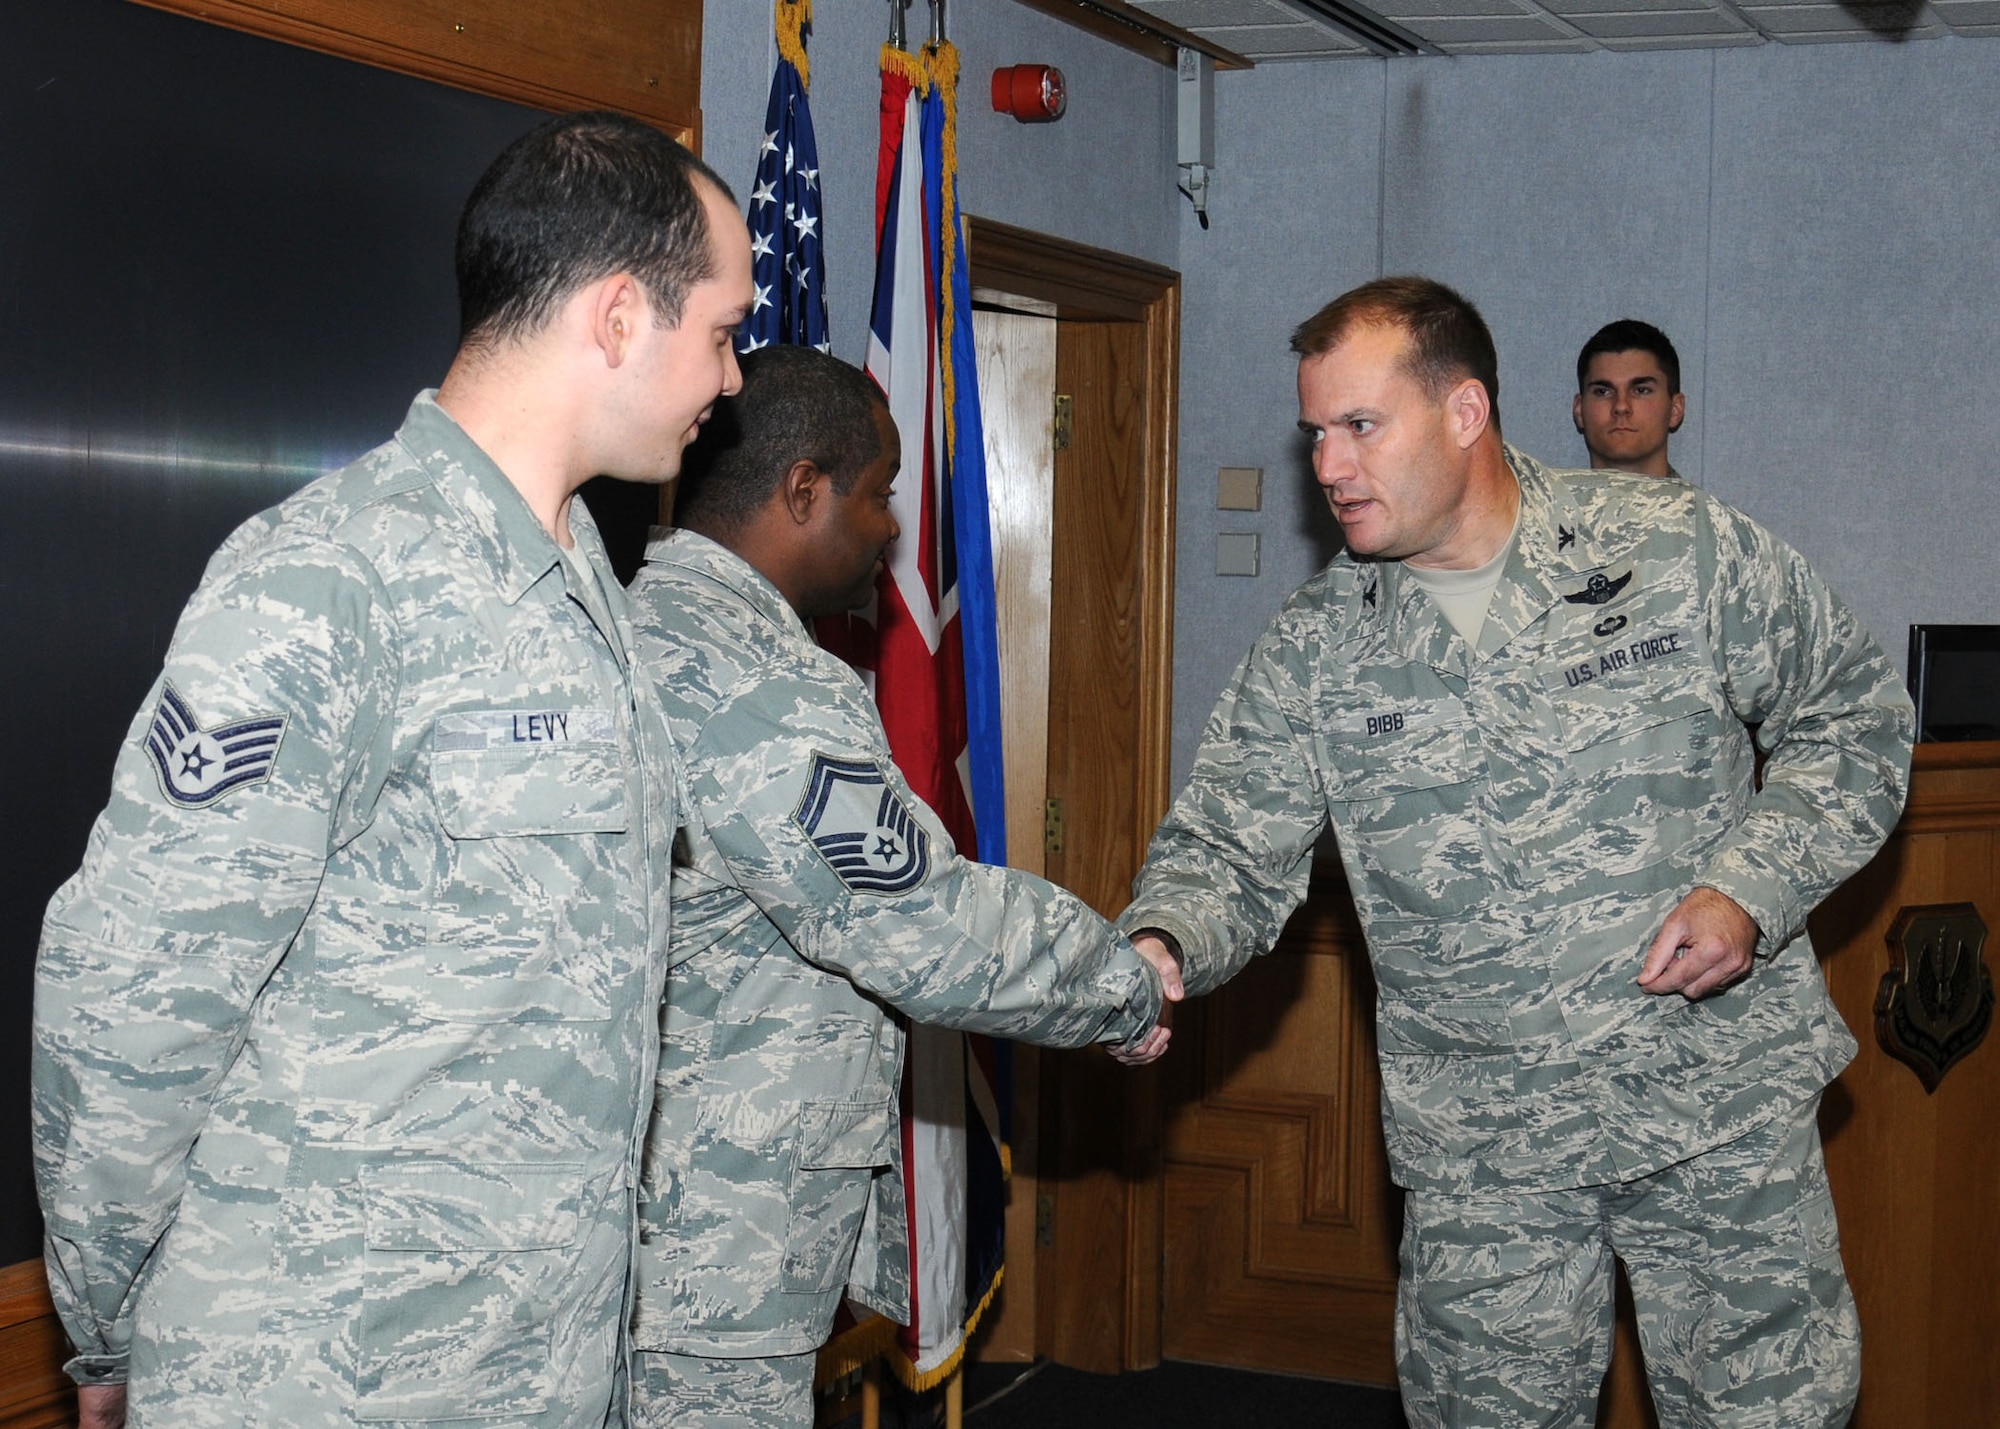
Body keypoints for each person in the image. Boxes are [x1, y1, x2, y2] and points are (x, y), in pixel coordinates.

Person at [31, 111, 752, 1429]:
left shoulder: (587, 582)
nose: (734, 378)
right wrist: (110, 1329)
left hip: (534, 1370)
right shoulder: (326, 580)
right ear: (614, 318)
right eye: (720, 329)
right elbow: (133, 993)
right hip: (322, 1374)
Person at [1123, 277, 1911, 1427]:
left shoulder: (1673, 551)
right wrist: (1160, 938)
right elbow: (1227, 852)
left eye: (1359, 427)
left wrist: (1749, 890)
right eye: (1313, 436)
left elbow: (1853, 719)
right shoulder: (1318, 648)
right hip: (1484, 1160)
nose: (1328, 467)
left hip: (1710, 1117)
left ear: (1463, 412)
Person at [623, 344, 1177, 1429]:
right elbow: (927, 925)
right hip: (710, 1255)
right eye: (876, 494)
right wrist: (1124, 984)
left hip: (642, 1216)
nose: (889, 531)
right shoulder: (760, 685)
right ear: (800, 490)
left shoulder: (622, 627)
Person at [1573, 318, 1686, 479]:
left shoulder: (1704, 505)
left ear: (1675, 410)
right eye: (1603, 392)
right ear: (1579, 411)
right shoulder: (1538, 504)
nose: (1621, 406)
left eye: (1641, 390)